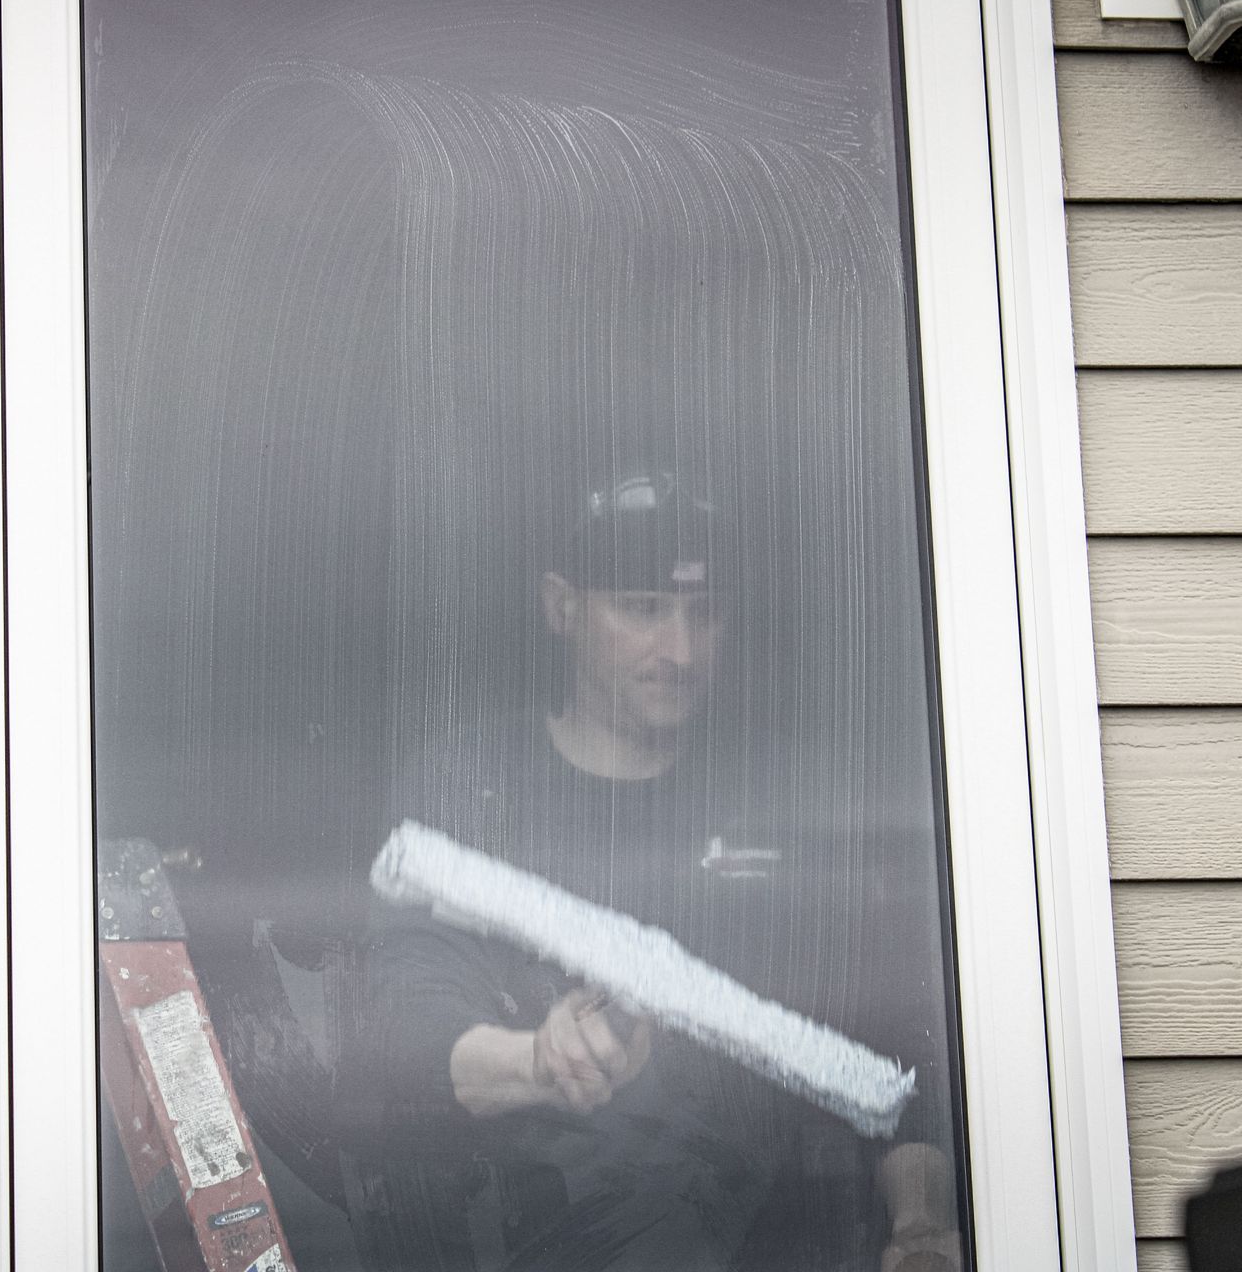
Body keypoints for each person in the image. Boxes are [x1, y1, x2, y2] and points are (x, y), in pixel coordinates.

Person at [339, 470, 963, 1272]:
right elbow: (409, 1036)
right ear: (562, 607)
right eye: (642, 609)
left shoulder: (782, 802)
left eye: (705, 613)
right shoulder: (470, 791)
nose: (681, 650)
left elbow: (892, 1050)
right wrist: (538, 1062)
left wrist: (919, 1226)